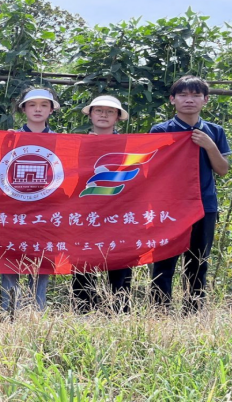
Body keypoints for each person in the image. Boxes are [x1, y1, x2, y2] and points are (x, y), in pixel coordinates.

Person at [149, 75, 231, 313]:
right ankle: (160, 312)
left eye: (195, 95)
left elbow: (223, 170)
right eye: (183, 95)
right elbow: (151, 170)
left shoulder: (214, 131)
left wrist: (209, 145)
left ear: (205, 100)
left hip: (204, 205)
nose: (189, 100)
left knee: (197, 262)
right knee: (164, 261)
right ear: (172, 100)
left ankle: (192, 312)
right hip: (168, 207)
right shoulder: (160, 130)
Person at [71, 95, 132, 313]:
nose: (104, 115)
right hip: (84, 212)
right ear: (90, 114)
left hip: (118, 212)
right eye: (99, 111)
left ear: (118, 117)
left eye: (110, 111)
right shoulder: (75, 143)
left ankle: (120, 311)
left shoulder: (128, 145)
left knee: (119, 260)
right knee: (83, 259)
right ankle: (84, 310)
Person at [1, 87, 60, 312]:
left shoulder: (61, 141)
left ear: (52, 110)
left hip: (47, 212)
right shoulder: (10, 138)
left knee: (42, 261)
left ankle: (37, 313)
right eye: (32, 105)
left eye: (44, 105)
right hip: (13, 211)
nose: (38, 109)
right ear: (23, 108)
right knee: (10, 259)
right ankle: (9, 313)